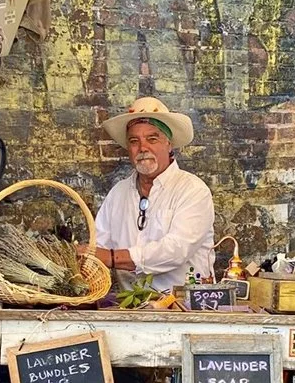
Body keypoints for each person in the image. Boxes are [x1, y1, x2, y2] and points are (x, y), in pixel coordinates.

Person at [92, 96, 215, 292]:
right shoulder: (118, 193)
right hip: (130, 309)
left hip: (184, 309)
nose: (143, 148)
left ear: (169, 144)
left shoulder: (193, 190)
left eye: (152, 139)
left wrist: (112, 258)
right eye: (134, 141)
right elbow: (98, 246)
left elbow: (176, 250)